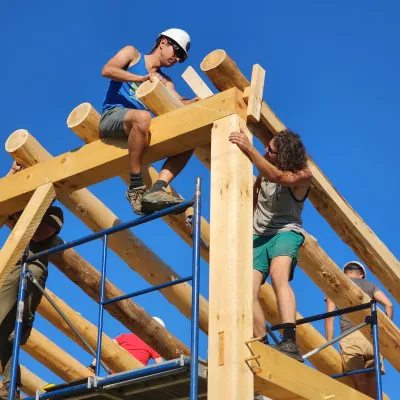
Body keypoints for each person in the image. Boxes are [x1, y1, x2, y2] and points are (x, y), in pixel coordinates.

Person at [229, 128, 312, 362]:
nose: (265, 152)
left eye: (271, 151)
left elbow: (278, 177)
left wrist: (248, 147)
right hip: (259, 236)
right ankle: (263, 344)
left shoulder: (303, 175)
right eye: (265, 148)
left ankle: (289, 342)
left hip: (285, 232)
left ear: (284, 155)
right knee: (247, 289)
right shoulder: (264, 171)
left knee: (278, 276)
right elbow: (258, 190)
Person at [100, 29, 199, 216]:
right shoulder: (133, 55)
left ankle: (158, 188)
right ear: (163, 42)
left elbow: (177, 102)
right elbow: (107, 70)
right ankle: (136, 186)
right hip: (113, 116)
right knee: (143, 117)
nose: (177, 59)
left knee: (190, 138)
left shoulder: (165, 81)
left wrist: (191, 102)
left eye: (181, 58)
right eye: (177, 52)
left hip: (139, 131)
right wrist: (142, 79)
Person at [0, 162, 64, 400]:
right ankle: (10, 387)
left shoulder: (54, 213)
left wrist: (18, 214)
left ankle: (10, 386)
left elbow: (37, 233)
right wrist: (12, 175)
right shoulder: (21, 206)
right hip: (9, 266)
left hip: (30, 268)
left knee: (11, 331)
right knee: (5, 334)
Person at [325, 261, 393, 398]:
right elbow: (389, 305)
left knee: (359, 381)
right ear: (362, 275)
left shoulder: (336, 286)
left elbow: (329, 318)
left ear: (344, 274)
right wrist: (383, 333)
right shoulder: (370, 285)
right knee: (374, 381)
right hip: (371, 337)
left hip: (351, 337)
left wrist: (329, 344)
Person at [88, 317, 166, 372]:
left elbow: (104, 347)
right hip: (135, 375)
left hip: (116, 375)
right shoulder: (152, 346)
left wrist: (93, 365)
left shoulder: (124, 337)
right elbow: (161, 365)